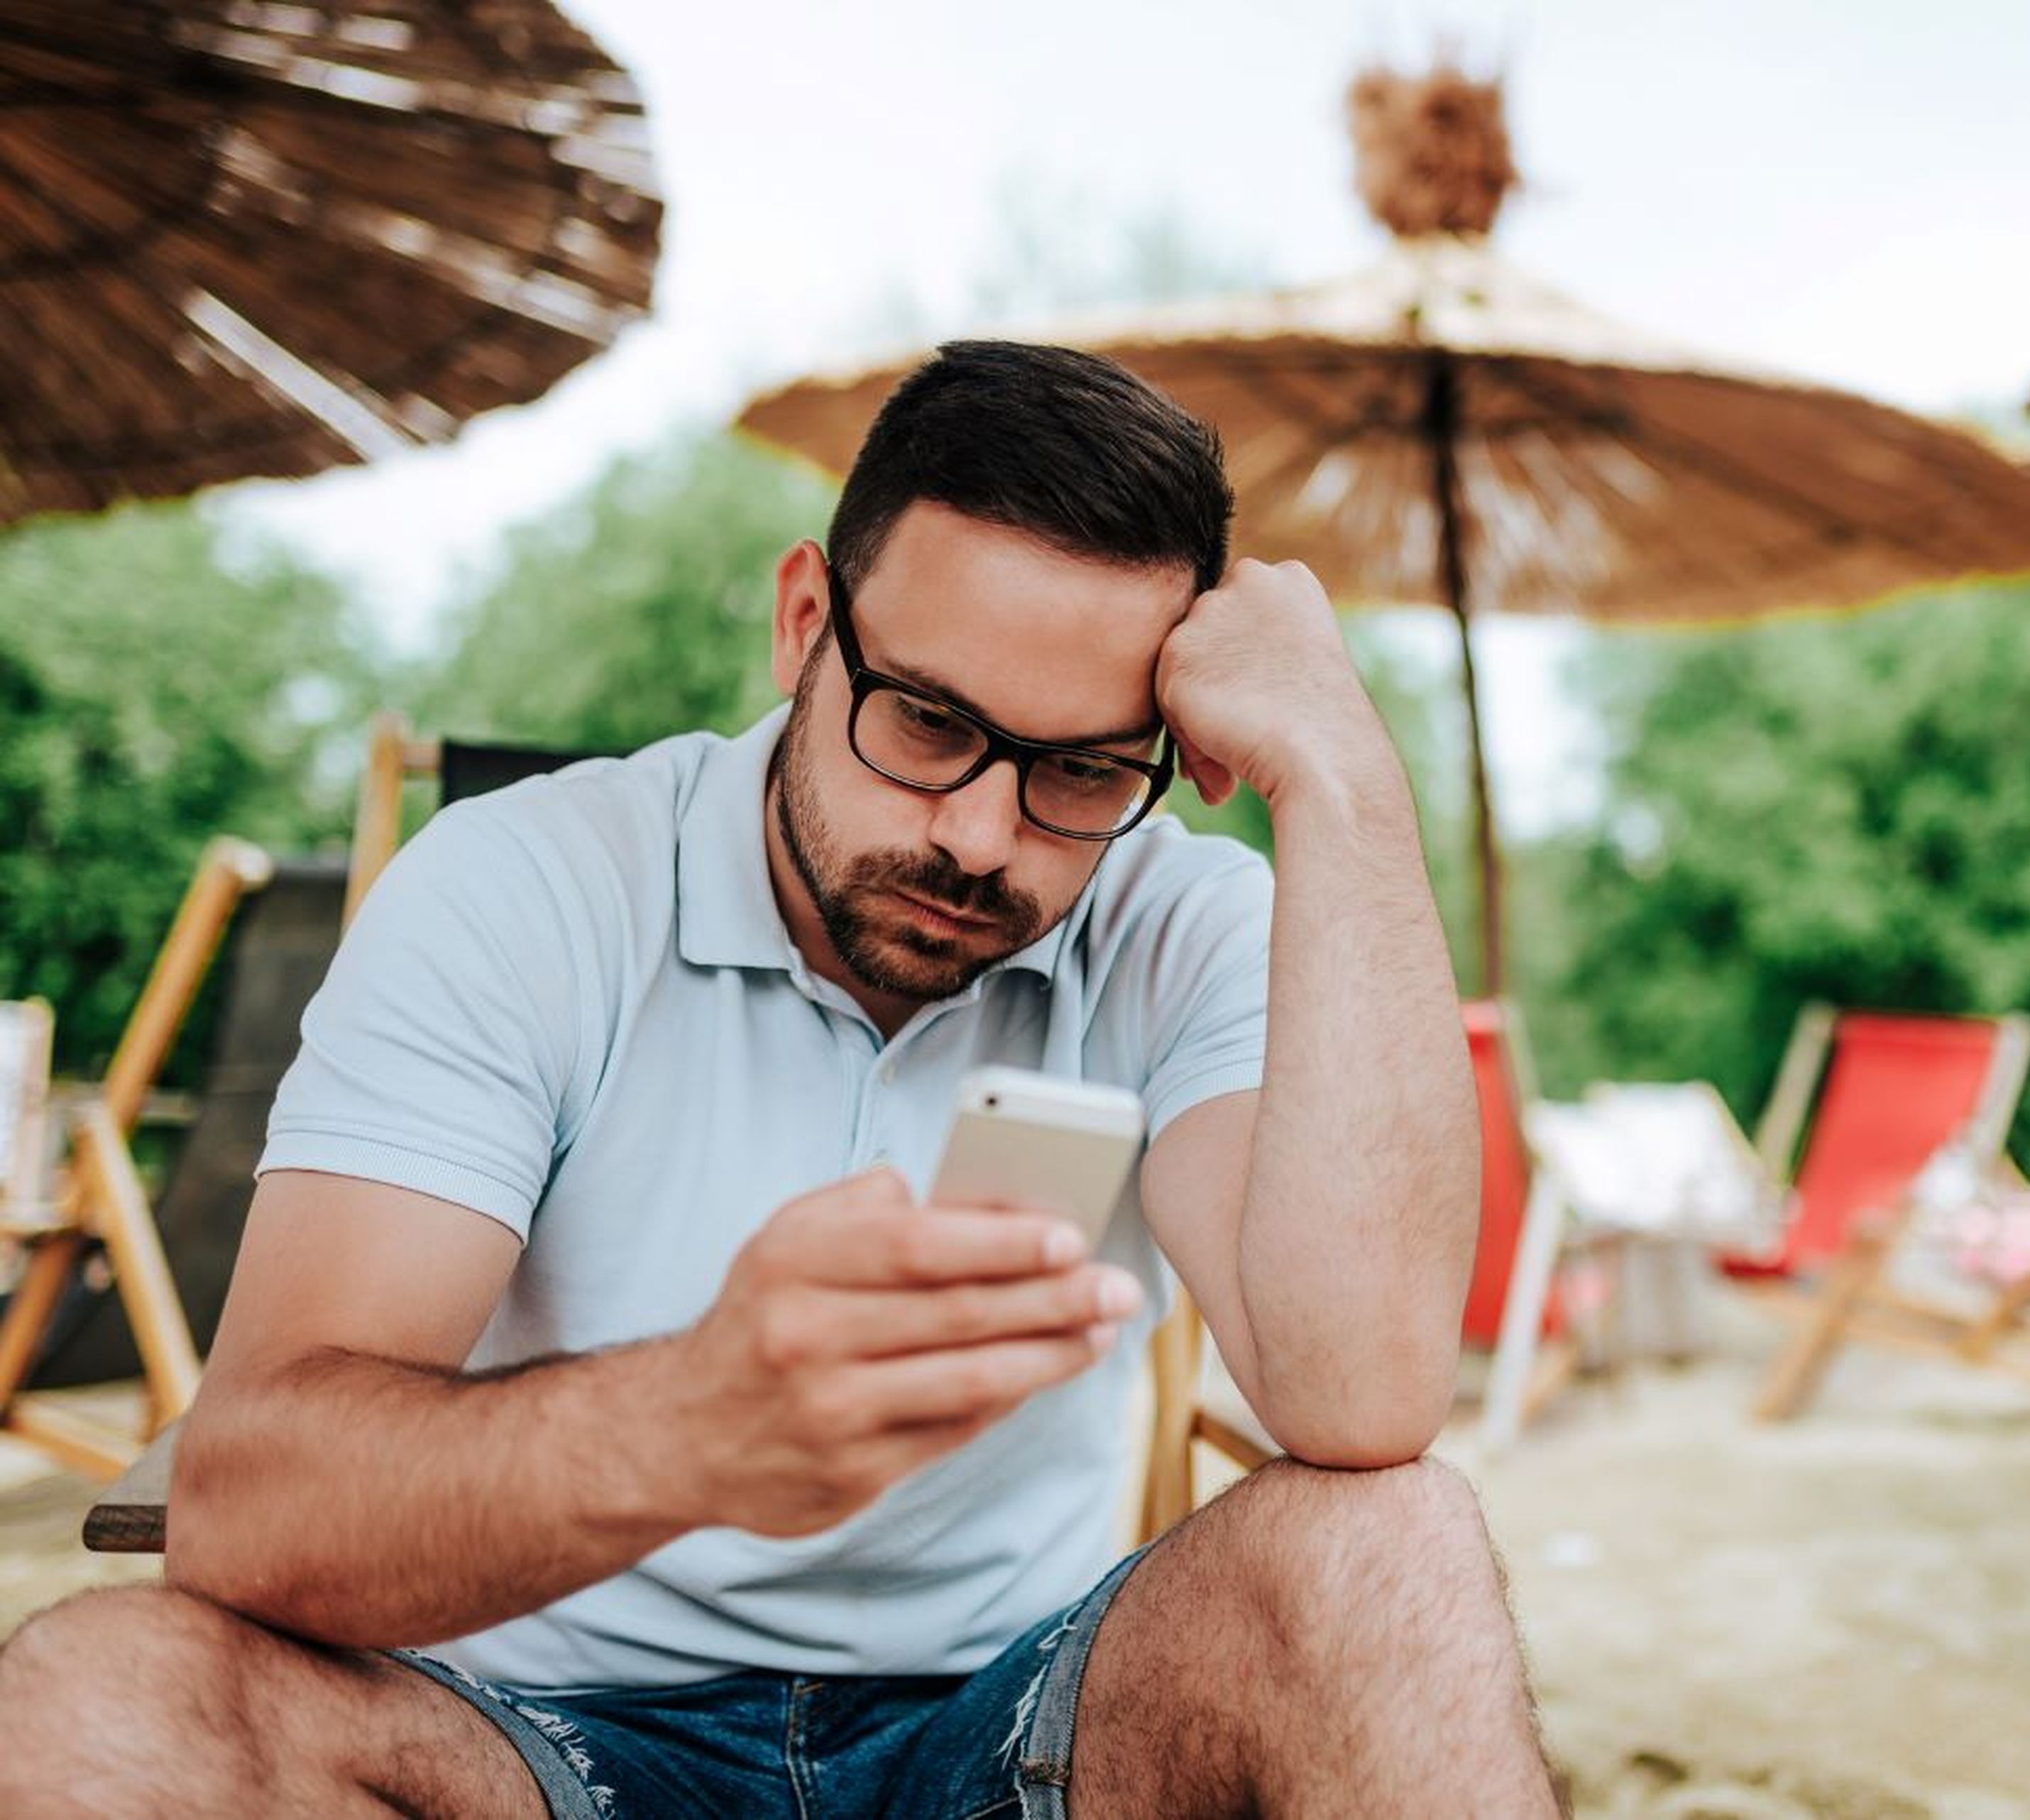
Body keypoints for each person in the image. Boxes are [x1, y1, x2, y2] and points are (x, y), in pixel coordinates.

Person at [0, 342, 1561, 1818]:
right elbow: (248, 1503)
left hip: (1015, 1726)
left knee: (1390, 1546)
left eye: (1083, 768)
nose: (980, 837)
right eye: (931, 722)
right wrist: (688, 1422)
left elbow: (1364, 1397)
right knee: (104, 1689)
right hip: (530, 1742)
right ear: (805, 622)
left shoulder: (1175, 920)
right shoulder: (524, 888)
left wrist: (1344, 780)